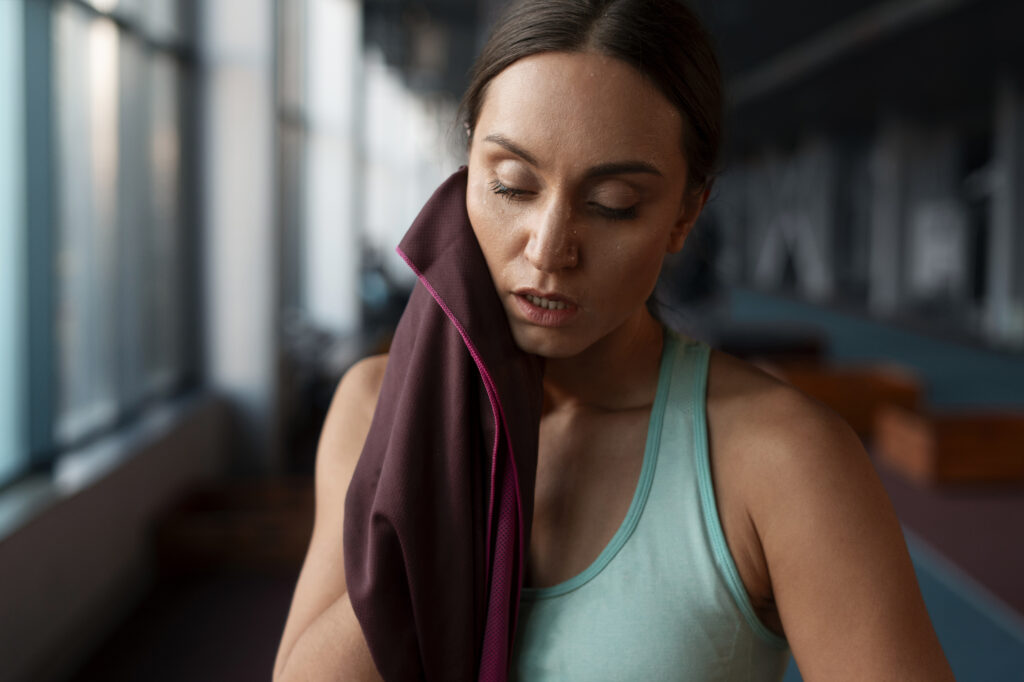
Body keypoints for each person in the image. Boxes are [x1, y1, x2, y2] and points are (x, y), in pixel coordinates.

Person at [273, 0, 955, 679]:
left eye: (612, 205)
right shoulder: (374, 406)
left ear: (685, 214)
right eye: (512, 186)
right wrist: (435, 453)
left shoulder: (782, 461)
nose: (549, 249)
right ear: (467, 169)